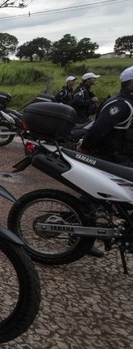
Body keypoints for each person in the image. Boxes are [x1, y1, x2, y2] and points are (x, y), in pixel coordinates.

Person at [75, 67, 133, 258]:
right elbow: (99, 129)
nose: (95, 81)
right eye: (92, 79)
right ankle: (80, 239)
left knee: (105, 202)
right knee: (93, 200)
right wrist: (86, 145)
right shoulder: (122, 104)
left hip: (122, 159)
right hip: (108, 158)